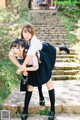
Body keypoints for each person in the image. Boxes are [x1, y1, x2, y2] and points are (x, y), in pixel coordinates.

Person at [9, 22, 70, 120]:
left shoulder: (34, 41)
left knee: (49, 81)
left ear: (33, 34)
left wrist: (22, 68)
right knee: (30, 86)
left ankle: (52, 110)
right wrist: (21, 67)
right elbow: (11, 54)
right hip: (32, 62)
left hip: (42, 58)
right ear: (22, 32)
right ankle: (25, 111)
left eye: (29, 33)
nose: (27, 35)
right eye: (25, 32)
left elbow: (30, 54)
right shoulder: (19, 40)